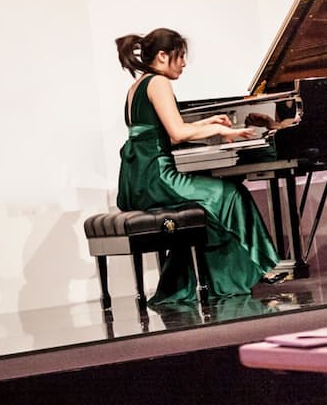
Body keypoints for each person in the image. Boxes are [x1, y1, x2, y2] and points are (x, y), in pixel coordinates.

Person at [115, 28, 278, 304]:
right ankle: (264, 266)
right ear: (163, 56)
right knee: (231, 194)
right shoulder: (158, 83)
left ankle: (213, 279)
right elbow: (177, 134)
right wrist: (221, 129)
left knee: (209, 209)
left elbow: (160, 133)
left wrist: (207, 123)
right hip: (159, 177)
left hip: (136, 182)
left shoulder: (137, 87)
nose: (183, 63)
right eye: (180, 56)